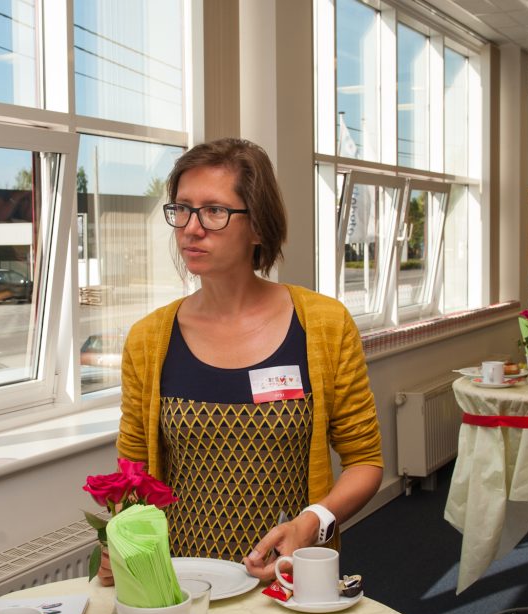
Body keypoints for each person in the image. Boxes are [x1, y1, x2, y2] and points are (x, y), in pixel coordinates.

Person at [114, 138, 383, 583]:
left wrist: (313, 522)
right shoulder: (148, 340)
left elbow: (365, 462)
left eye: (214, 211)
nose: (191, 228)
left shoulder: (324, 325)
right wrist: (121, 546)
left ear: (258, 226)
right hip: (182, 583)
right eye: (182, 209)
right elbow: (133, 475)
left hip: (286, 579)